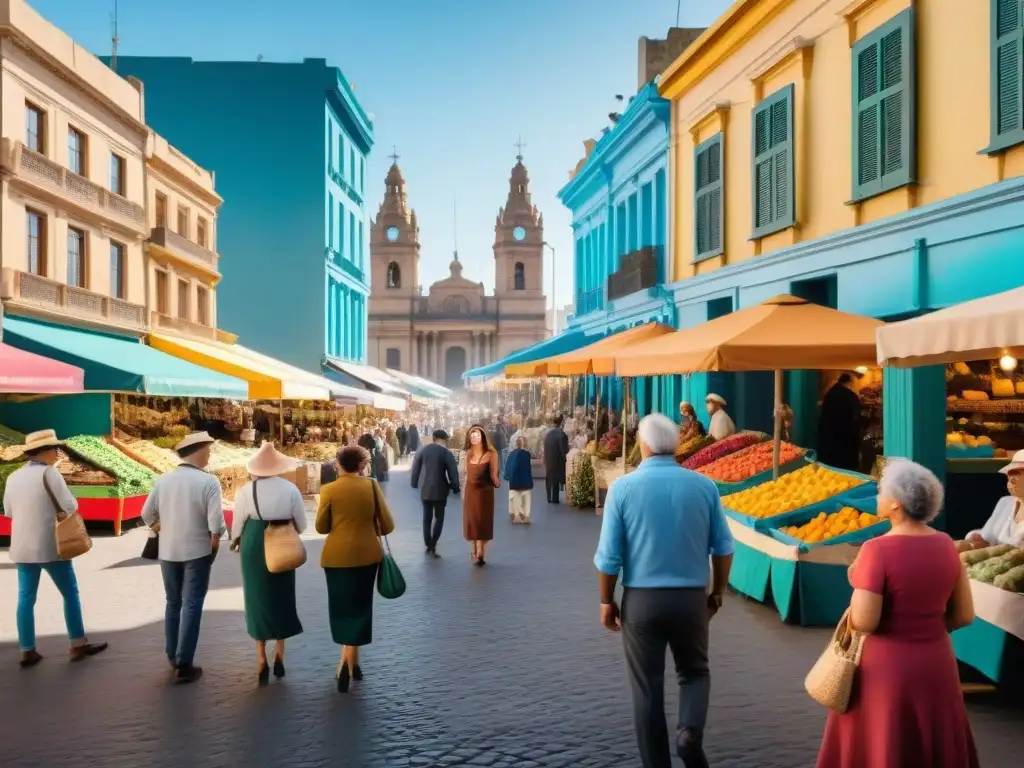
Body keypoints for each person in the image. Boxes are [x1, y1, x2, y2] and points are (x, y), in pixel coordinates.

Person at [816, 459, 978, 768]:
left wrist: (857, 581)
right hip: (937, 664)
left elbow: (865, 620)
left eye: (880, 492)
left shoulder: (877, 550)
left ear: (895, 504)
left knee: (884, 743)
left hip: (886, 670)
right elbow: (964, 615)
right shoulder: (947, 545)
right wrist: (925, 627)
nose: (877, 497)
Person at [594, 413, 735, 768]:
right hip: (690, 599)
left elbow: (609, 558)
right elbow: (724, 547)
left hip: (641, 601)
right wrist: (717, 592)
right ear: (675, 445)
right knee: (694, 672)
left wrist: (606, 600)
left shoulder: (623, 488)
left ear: (643, 445)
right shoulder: (704, 486)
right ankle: (689, 733)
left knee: (647, 689)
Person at [3, 429, 108, 668]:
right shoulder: (50, 474)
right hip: (51, 546)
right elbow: (70, 506)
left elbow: (8, 512)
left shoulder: (14, 476)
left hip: (21, 548)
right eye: (54, 449)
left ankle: (27, 650)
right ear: (45, 451)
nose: (57, 453)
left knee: (25, 598)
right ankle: (78, 644)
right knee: (69, 593)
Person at [141, 431, 225, 684]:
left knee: (173, 602)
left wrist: (161, 529)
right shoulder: (208, 482)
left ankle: (172, 655)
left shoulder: (164, 480)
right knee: (192, 604)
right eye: (208, 450)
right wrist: (215, 545)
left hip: (168, 552)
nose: (210, 454)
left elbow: (147, 514)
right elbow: (216, 524)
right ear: (197, 451)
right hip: (197, 551)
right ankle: (184, 663)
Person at [316, 445, 396, 693]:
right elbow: (388, 525)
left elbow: (321, 527)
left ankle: (348, 663)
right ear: (362, 465)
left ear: (339, 465)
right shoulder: (371, 486)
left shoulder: (328, 490)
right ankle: (348, 665)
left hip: (336, 557)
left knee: (341, 610)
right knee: (360, 609)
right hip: (365, 556)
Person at [229, 442, 307, 684]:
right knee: (281, 597)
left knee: (256, 598)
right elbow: (302, 525)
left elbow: (238, 523)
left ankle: (261, 658)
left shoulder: (246, 490)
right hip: (281, 541)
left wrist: (234, 542)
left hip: (254, 541)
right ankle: (280, 655)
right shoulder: (290, 489)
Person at [410, 429, 461, 557]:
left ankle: (428, 542)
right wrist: (455, 488)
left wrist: (414, 482)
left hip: (425, 490)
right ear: (445, 440)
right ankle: (433, 543)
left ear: (433, 438)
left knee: (426, 518)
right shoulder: (446, 453)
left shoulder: (423, 450)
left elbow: (415, 467)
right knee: (439, 518)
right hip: (440, 491)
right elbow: (453, 472)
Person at [965, 448, 1024, 548]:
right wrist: (978, 540)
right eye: (1011, 472)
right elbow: (987, 535)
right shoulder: (1005, 502)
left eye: (1020, 473)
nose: (1012, 478)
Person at [461, 425, 500, 566]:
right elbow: (466, 474)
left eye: (477, 435)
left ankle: (480, 550)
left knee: (482, 523)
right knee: (473, 523)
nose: (474, 438)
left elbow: (494, 475)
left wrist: (496, 481)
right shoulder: (468, 454)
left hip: (485, 494)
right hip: (471, 492)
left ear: (482, 437)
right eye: (472, 436)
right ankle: (474, 549)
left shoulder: (491, 454)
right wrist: (462, 493)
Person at [817, 372, 862, 470]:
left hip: (828, 445)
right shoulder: (851, 397)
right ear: (851, 382)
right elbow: (856, 423)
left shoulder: (829, 394)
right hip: (846, 446)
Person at [504, 435, 534, 524]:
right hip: (525, 480)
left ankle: (516, 515)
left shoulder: (512, 454)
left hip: (514, 481)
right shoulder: (526, 454)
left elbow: (509, 466)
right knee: (526, 499)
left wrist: (509, 477)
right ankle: (526, 515)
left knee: (515, 498)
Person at [543, 414, 570, 504]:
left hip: (548, 461)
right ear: (561, 424)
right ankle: (555, 498)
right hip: (558, 462)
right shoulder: (562, 435)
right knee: (556, 480)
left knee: (549, 480)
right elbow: (563, 451)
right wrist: (566, 460)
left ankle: (548, 498)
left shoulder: (548, 434)